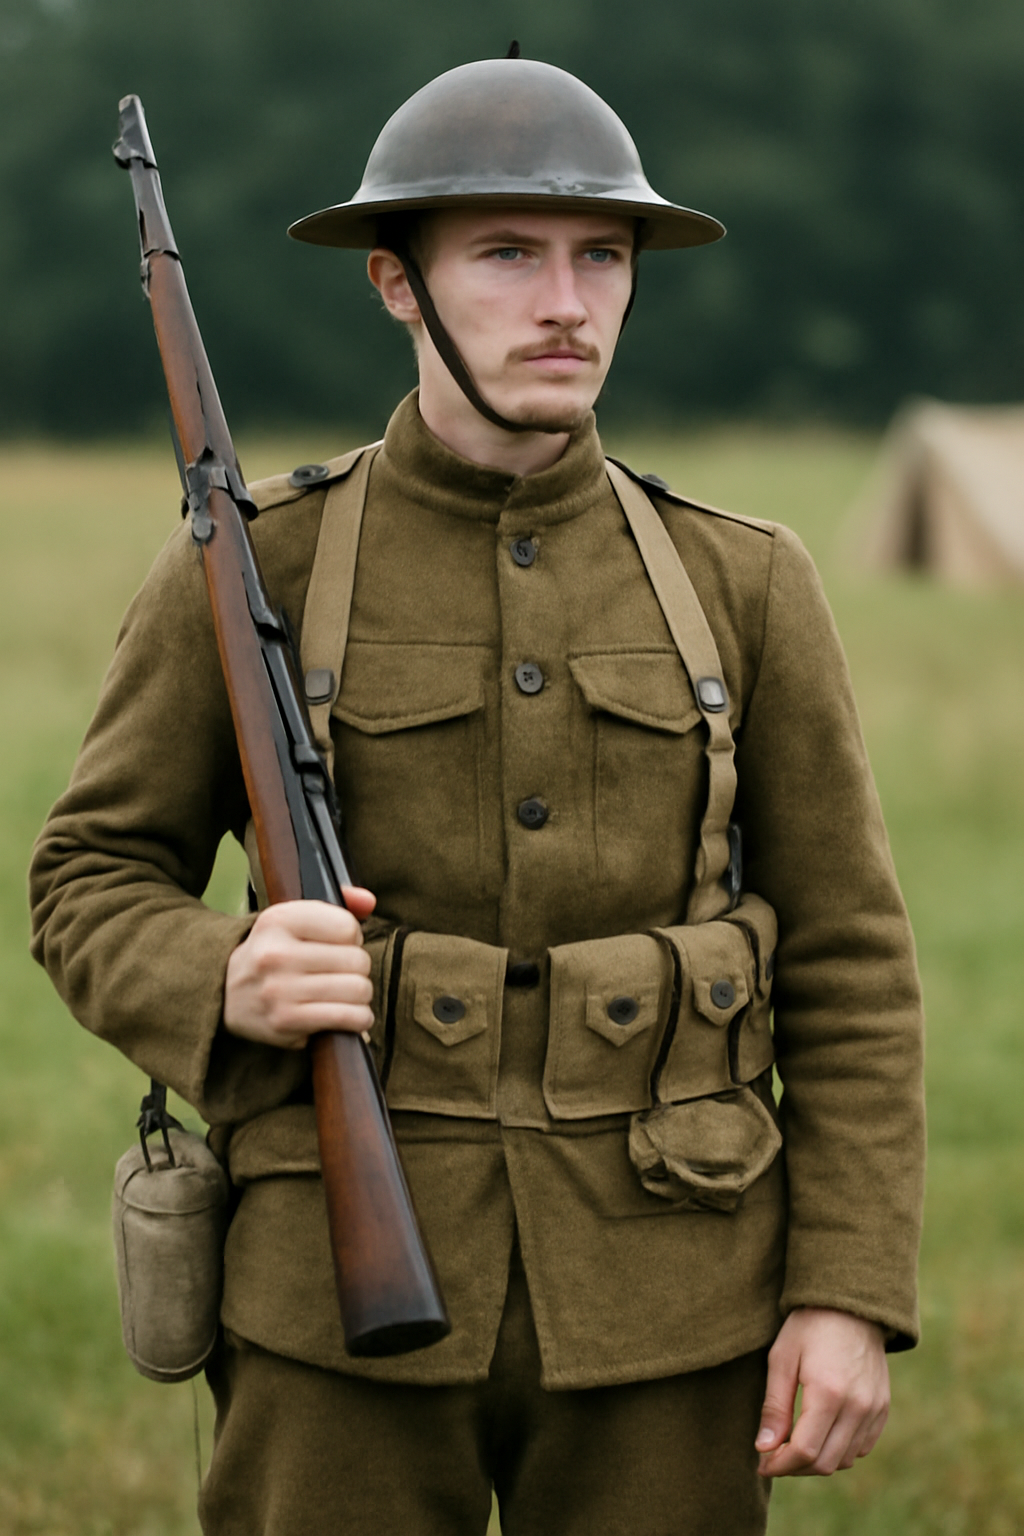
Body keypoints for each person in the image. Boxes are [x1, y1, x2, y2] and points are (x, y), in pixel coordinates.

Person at [30, 52, 925, 1536]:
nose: (566, 302)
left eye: (601, 256)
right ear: (397, 282)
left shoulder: (742, 582)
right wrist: (226, 973)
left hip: (671, 1303)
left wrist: (843, 1293)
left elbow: (850, 961)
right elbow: (88, 876)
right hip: (332, 1305)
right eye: (508, 255)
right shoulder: (259, 568)